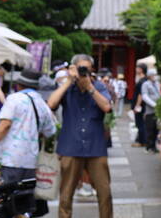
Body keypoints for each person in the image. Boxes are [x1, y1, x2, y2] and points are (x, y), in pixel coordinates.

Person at [47, 54, 113, 218]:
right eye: (80, 68)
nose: (84, 72)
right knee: (66, 194)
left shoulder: (99, 86)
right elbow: (51, 104)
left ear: (92, 70)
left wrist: (90, 88)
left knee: (104, 192)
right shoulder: (68, 87)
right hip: (70, 146)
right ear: (73, 68)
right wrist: (68, 80)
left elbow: (106, 107)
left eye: (87, 69)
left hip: (95, 146)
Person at [0, 69, 56, 185]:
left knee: (7, 197)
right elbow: (50, 132)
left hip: (11, 160)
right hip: (31, 162)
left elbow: (5, 125)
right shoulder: (43, 104)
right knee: (24, 197)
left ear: (19, 85)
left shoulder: (14, 99)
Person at [141, 71, 161, 153]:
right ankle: (149, 146)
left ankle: (153, 146)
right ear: (149, 76)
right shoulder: (145, 84)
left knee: (156, 129)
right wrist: (154, 104)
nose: (154, 76)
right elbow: (145, 96)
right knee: (150, 129)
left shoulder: (157, 83)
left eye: (155, 75)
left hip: (158, 110)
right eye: (153, 75)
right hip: (150, 111)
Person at [131, 64, 147, 148]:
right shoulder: (143, 80)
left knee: (140, 123)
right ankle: (141, 140)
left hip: (140, 105)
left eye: (137, 68)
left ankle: (142, 141)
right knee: (141, 123)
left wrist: (137, 106)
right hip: (142, 105)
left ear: (141, 69)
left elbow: (140, 94)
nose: (136, 69)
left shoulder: (142, 81)